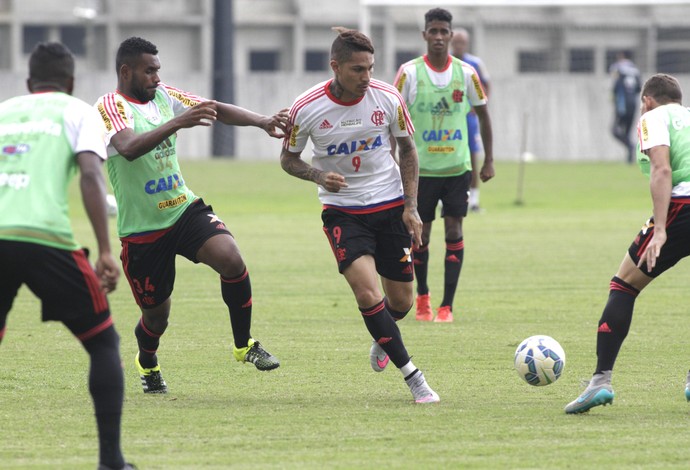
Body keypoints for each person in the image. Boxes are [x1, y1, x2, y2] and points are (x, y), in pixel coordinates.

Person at [94, 36, 287, 394]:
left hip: (183, 210)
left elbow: (212, 107)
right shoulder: (110, 106)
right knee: (156, 316)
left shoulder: (164, 95)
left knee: (231, 259)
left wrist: (262, 121)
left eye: (158, 70)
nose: (156, 77)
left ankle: (244, 345)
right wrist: (179, 123)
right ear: (126, 71)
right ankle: (147, 361)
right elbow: (128, 148)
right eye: (149, 71)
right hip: (142, 230)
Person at [280, 27, 440, 404]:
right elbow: (287, 159)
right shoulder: (306, 107)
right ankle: (414, 378)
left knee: (399, 302)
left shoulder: (387, 97)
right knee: (367, 294)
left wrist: (411, 207)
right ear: (335, 66)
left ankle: (383, 336)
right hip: (343, 213)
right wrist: (318, 175)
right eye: (357, 69)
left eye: (369, 67)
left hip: (388, 207)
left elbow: (408, 151)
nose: (366, 77)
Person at [0, 42, 133, 470]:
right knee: (102, 342)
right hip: (46, 239)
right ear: (71, 82)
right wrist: (106, 251)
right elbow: (92, 174)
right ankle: (111, 461)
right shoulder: (78, 111)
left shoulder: (3, 111)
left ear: (27, 82)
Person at [565, 73, 690, 414]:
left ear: (647, 100)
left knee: (624, 285)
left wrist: (661, 228)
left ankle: (600, 381)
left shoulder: (652, 117)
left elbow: (662, 170)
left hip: (682, 207)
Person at [394, 8, 494, 323]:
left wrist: (488, 159)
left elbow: (483, 115)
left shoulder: (466, 73)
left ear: (451, 36)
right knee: (419, 235)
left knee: (454, 230)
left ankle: (446, 306)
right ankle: (422, 297)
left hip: (456, 169)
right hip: (420, 172)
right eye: (433, 31)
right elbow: (390, 116)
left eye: (443, 32)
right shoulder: (409, 73)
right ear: (425, 35)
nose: (438, 37)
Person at [451, 27, 491, 213]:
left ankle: (473, 200)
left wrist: (480, 106)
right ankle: (445, 198)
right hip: (449, 120)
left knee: (472, 159)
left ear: (466, 44)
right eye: (456, 42)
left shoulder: (474, 63)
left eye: (462, 42)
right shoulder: (444, 63)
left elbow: (486, 83)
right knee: (447, 158)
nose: (458, 46)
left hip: (469, 119)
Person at [609, 51, 641, 164]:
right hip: (633, 104)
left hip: (622, 105)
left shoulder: (618, 68)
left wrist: (613, 97)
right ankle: (629, 158)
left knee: (614, 130)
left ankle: (631, 146)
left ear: (621, 56)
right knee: (627, 132)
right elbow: (638, 88)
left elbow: (615, 86)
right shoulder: (635, 70)